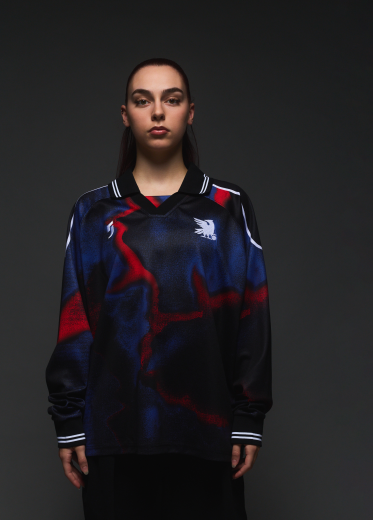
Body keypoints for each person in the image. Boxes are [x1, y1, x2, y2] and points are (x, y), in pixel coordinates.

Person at [45, 57, 273, 520]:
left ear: (190, 112)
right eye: (142, 100)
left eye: (171, 99)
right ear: (125, 114)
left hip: (207, 431)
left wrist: (248, 415)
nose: (157, 112)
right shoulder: (93, 211)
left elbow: (251, 313)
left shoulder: (228, 206)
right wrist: (69, 419)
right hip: (114, 434)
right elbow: (76, 318)